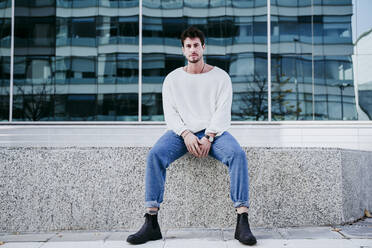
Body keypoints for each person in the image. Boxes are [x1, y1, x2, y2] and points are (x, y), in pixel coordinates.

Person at [126, 26, 257, 246]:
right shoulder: (172, 79)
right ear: (183, 50)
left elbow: (222, 112)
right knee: (155, 155)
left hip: (214, 133)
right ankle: (151, 222)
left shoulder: (220, 77)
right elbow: (171, 114)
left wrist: (209, 137)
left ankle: (242, 219)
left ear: (203, 47)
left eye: (196, 45)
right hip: (181, 133)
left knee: (237, 154)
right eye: (189, 46)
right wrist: (186, 133)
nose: (193, 49)